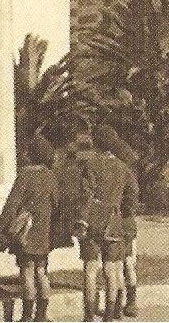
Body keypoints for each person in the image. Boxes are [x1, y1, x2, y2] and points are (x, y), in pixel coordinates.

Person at [0, 134, 59, 322]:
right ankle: (42, 316)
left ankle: (27, 316)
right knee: (42, 271)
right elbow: (57, 203)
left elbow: (12, 205)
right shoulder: (51, 176)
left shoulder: (25, 175)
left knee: (27, 271)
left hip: (26, 230)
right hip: (44, 229)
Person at [73, 132, 139, 322]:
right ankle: (109, 316)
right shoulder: (123, 167)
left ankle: (89, 315)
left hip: (92, 222)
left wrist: (81, 220)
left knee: (90, 269)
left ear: (97, 145)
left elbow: (85, 196)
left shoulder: (90, 165)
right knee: (112, 271)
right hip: (114, 224)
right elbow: (132, 195)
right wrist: (122, 211)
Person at [93, 124, 140, 319]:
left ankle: (126, 303)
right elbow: (133, 195)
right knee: (125, 264)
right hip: (124, 220)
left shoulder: (117, 165)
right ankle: (126, 303)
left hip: (121, 220)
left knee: (123, 264)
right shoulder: (124, 163)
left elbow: (130, 197)